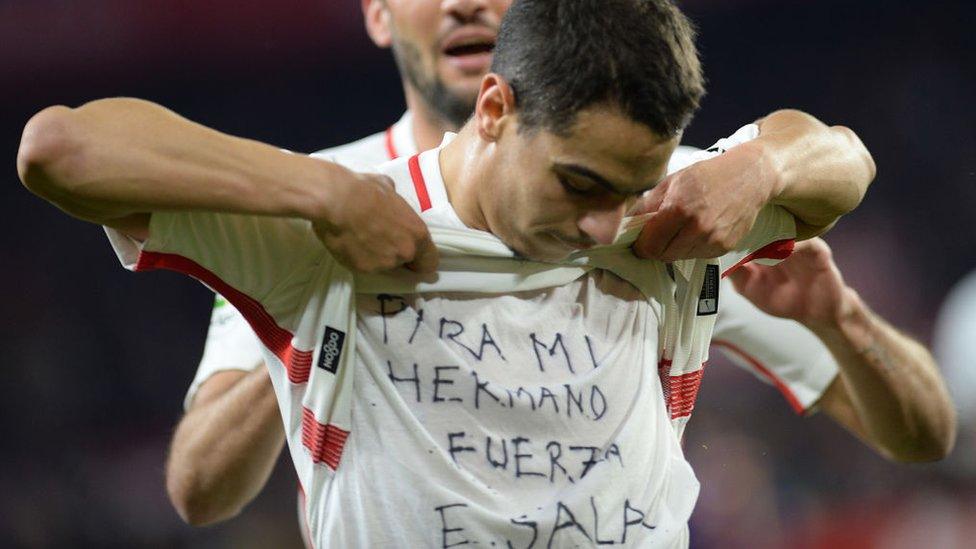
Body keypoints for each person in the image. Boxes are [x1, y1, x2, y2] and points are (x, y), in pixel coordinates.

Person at [15, 0, 943, 546]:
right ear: (497, 110)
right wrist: (319, 219)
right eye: (580, 187)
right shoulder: (317, 223)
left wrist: (757, 168)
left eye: (624, 191)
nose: (600, 226)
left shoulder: (665, 204)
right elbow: (61, 147)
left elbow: (842, 160)